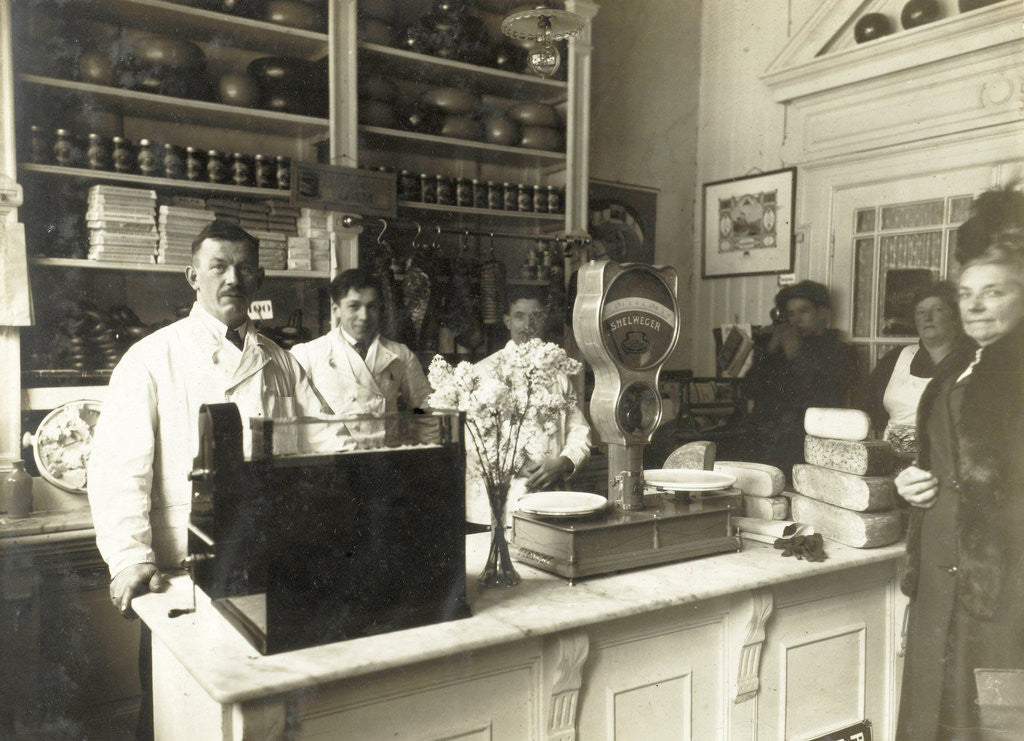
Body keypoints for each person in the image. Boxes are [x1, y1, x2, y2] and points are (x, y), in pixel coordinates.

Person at [87, 221, 334, 739]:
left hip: (267, 566)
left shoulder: (281, 363)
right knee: (173, 716)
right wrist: (130, 558)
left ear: (260, 278)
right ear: (191, 275)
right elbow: (117, 467)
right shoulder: (152, 358)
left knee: (257, 715)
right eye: (218, 266)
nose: (231, 278)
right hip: (182, 572)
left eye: (244, 268)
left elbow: (322, 452)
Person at [895, 183, 1024, 740]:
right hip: (942, 581)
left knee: (999, 720)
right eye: (966, 292)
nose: (973, 305)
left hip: (1005, 594)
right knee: (935, 717)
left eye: (993, 292)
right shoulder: (961, 367)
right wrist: (913, 482)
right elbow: (944, 455)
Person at [466, 285, 591, 525]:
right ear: (507, 321)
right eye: (519, 316)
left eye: (536, 317)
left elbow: (580, 432)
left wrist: (563, 462)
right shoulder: (481, 373)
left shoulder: (559, 376)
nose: (527, 325)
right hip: (497, 503)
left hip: (550, 498)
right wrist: (511, 464)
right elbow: (470, 439)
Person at [289, 268, 431, 444]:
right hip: (333, 459)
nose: (364, 316)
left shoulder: (401, 355)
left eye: (371, 307)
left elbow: (426, 412)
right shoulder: (307, 354)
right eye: (354, 307)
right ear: (336, 309)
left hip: (385, 459)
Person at [743, 280, 861, 479]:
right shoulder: (780, 345)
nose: (795, 320)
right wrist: (766, 351)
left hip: (810, 445)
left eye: (803, 311)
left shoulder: (842, 351)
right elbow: (749, 389)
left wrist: (794, 351)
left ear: (823, 313)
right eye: (791, 313)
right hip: (766, 442)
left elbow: (817, 396)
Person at [860, 281, 974, 459]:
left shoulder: (972, 363)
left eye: (937, 309)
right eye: (921, 312)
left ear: (955, 318)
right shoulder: (896, 358)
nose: (927, 317)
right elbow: (869, 413)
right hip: (890, 467)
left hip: (945, 468)